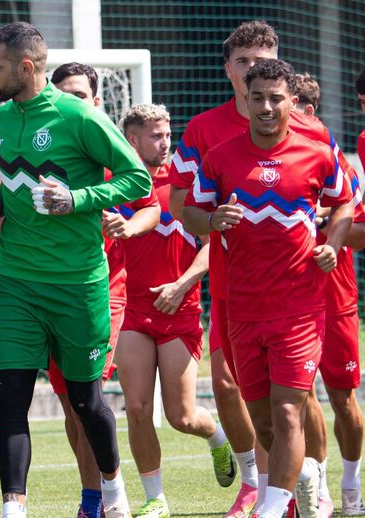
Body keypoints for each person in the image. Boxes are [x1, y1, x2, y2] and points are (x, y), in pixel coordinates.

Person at [167, 20, 351, 516]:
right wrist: (214, 219)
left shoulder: (317, 145)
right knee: (259, 413)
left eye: (276, 96)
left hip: (299, 301)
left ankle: (276, 501)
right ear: (238, 85)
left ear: (292, 98)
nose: (266, 106)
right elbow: (186, 207)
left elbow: (344, 203)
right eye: (257, 93)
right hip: (238, 298)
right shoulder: (216, 147)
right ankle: (302, 473)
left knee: (291, 405)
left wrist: (332, 242)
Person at [0, 22, 151, 518]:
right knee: (10, 399)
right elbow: (13, 186)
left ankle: (113, 491)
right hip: (15, 282)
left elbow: (135, 177)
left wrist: (77, 198)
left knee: (86, 402)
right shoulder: (0, 120)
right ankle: (14, 509)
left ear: (26, 67)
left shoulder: (78, 116)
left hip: (78, 285)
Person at [48, 62, 163, 518]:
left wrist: (128, 226)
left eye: (78, 94)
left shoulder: (110, 149)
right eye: (62, 95)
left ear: (96, 101)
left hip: (104, 292)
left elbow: (150, 204)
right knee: (71, 408)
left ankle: (106, 500)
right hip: (50, 292)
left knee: (87, 397)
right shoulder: (45, 149)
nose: (69, 103)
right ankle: (94, 497)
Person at [113, 103, 231, 518]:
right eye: (155, 136)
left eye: (167, 135)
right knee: (138, 407)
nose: (165, 143)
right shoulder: (115, 184)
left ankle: (217, 437)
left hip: (180, 309)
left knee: (180, 416)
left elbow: (211, 245)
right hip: (133, 310)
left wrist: (182, 286)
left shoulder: (187, 186)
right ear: (132, 140)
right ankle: (155, 498)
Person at [291, 74, 365, 516]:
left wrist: (325, 222)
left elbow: (360, 235)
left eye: (286, 104)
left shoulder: (337, 165)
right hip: (286, 298)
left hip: (336, 296)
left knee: (342, 397)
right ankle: (315, 483)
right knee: (296, 395)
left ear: (309, 113)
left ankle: (352, 483)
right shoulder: (259, 160)